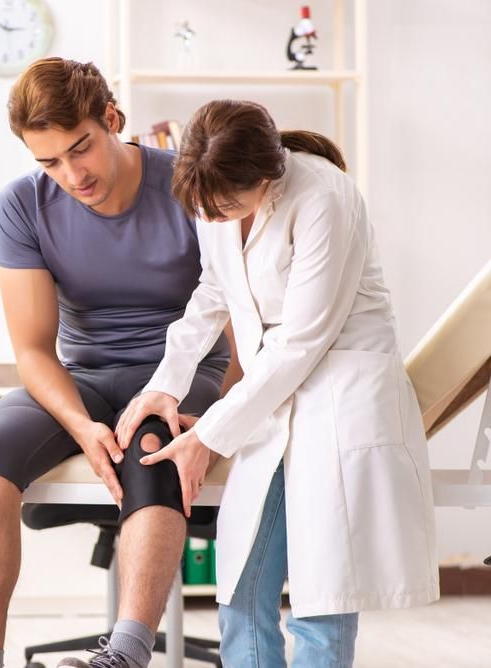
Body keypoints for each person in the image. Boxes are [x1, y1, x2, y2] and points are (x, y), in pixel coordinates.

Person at [116, 99, 440, 667]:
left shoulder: (324, 197)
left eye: (226, 206)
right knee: (242, 586)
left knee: (321, 599)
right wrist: (166, 383)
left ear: (267, 176)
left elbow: (301, 342)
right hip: (270, 399)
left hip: (337, 396)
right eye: (204, 209)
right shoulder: (210, 192)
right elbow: (212, 294)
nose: (213, 218)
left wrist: (210, 435)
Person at [0, 58, 239, 668]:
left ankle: (125, 655)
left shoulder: (188, 185)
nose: (71, 175)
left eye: (80, 149)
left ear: (112, 119)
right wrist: (81, 426)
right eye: (49, 162)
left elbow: (245, 328)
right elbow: (32, 349)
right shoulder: (23, 206)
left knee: (154, 449)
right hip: (81, 381)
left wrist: (224, 421)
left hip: (181, 379)